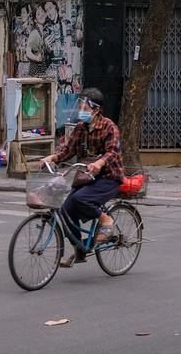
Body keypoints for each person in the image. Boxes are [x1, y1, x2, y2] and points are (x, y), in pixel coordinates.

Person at [39, 88, 123, 267]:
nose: (81, 111)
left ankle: (106, 220)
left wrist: (99, 162)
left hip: (109, 177)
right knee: (66, 210)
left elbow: (112, 152)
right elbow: (67, 151)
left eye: (85, 108)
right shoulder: (80, 128)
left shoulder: (109, 127)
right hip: (87, 177)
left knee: (80, 199)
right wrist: (52, 158)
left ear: (96, 110)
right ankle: (79, 250)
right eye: (80, 107)